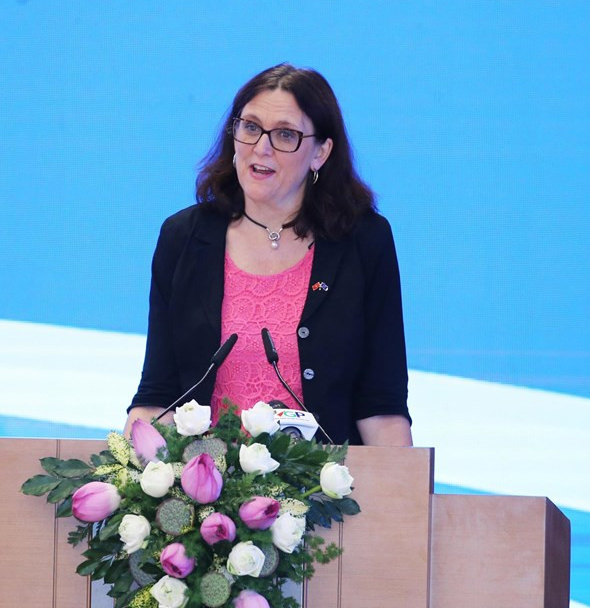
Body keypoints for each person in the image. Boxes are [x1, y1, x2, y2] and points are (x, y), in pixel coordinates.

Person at [124, 63, 412, 446]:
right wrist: (130, 482)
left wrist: (397, 501)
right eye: (250, 127)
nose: (261, 147)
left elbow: (381, 403)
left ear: (320, 152)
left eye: (285, 135)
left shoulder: (363, 242)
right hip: (207, 492)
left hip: (324, 494)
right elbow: (157, 395)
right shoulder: (184, 238)